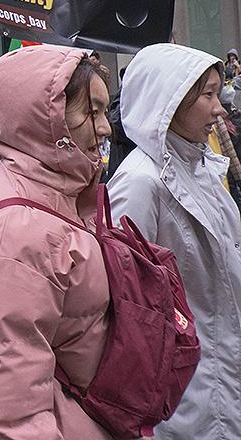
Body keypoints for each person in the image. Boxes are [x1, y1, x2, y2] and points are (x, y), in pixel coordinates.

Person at [0, 46, 114, 439]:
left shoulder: (53, 193)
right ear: (47, 117)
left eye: (104, 111)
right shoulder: (17, 232)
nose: (105, 128)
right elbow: (10, 417)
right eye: (91, 111)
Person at [107, 44, 241, 438]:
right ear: (172, 98)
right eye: (208, 94)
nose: (220, 108)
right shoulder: (140, 182)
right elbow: (126, 303)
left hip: (221, 376)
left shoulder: (200, 167)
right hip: (185, 397)